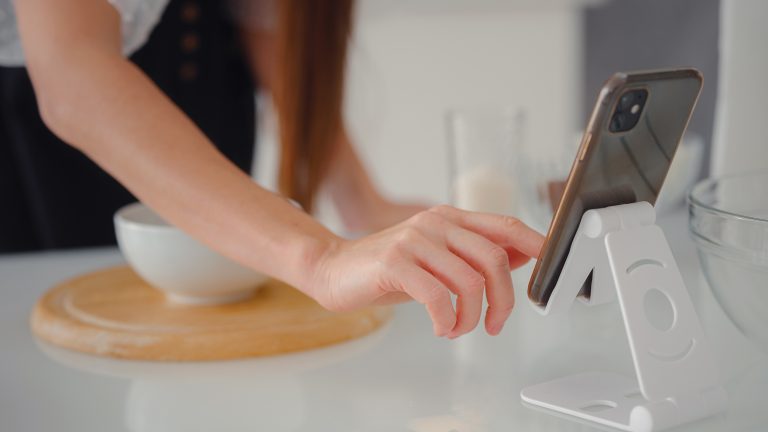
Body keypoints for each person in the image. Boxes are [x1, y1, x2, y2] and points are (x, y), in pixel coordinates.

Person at [2, 0, 544, 338]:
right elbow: (73, 72)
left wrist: (361, 203)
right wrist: (322, 257)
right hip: (34, 153)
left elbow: (268, 25)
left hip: (198, 120)